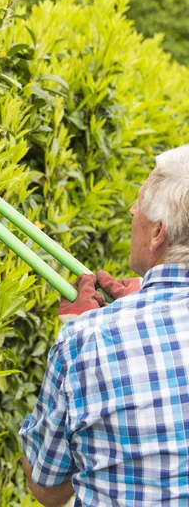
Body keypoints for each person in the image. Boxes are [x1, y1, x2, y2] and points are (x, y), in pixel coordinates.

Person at [19, 145, 189, 506]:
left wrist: (78, 329)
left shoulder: (87, 337)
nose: (131, 211)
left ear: (158, 232)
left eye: (139, 202)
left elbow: (46, 486)